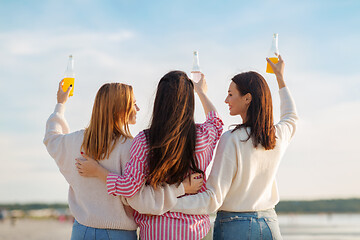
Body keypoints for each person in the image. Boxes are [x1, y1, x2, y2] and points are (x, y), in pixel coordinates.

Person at [44, 80, 201, 240]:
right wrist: (181, 188)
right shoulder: (133, 147)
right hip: (118, 234)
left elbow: (51, 138)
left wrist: (60, 103)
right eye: (133, 104)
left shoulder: (75, 142)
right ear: (119, 110)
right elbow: (142, 198)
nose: (138, 108)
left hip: (81, 231)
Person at [76, 70, 224, 240]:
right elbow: (216, 122)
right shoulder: (204, 136)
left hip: (155, 231)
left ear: (159, 102)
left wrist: (97, 171)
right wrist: (200, 92)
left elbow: (129, 188)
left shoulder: (144, 141)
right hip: (194, 231)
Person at [169, 55, 298, 240]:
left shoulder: (232, 139)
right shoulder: (277, 135)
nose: (226, 100)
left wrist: (166, 202)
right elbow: (291, 116)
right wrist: (280, 78)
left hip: (235, 227)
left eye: (230, 94)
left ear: (247, 99)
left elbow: (212, 199)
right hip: (270, 225)